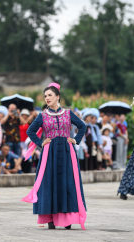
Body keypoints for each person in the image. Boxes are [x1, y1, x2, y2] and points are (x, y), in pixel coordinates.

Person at [23, 82, 87, 230]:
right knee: (49, 183)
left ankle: (67, 218)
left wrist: (75, 140)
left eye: (50, 95)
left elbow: (82, 126)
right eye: (45, 96)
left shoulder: (68, 113)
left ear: (58, 97)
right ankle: (50, 217)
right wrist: (41, 143)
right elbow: (30, 131)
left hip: (66, 152)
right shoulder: (43, 116)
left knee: (67, 183)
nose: (47, 98)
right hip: (49, 153)